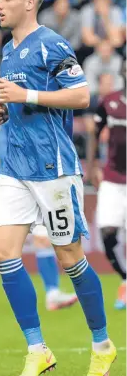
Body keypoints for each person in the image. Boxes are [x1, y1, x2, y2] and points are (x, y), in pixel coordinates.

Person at [0, 0, 116, 376]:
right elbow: (24, 103)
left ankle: (102, 344)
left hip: (53, 169)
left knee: (70, 258)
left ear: (29, 3)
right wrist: (4, 111)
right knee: (4, 252)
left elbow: (80, 95)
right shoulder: (9, 51)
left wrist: (25, 96)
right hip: (15, 166)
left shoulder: (52, 43)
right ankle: (38, 348)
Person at [0, 122, 77, 313]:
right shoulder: (2, 113)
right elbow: (2, 152)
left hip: (38, 183)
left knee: (43, 238)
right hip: (9, 185)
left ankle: (52, 293)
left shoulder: (37, 112)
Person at [88, 61, 126, 310]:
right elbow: (94, 131)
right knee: (107, 232)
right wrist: (92, 165)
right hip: (113, 177)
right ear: (122, 71)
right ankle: (125, 279)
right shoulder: (110, 102)